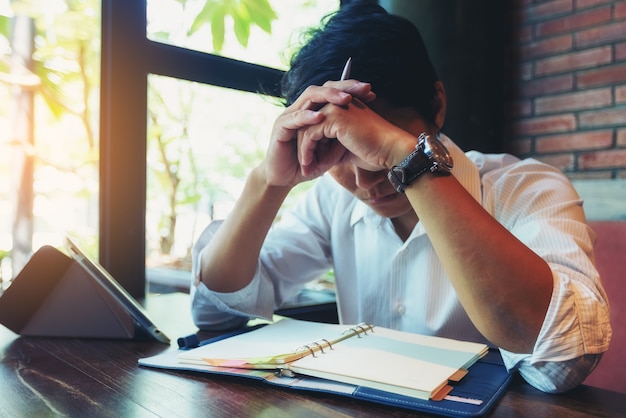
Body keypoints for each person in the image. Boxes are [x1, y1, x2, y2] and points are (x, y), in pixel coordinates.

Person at [189, 3, 611, 393]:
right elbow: (217, 311)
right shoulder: (332, 202)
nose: (366, 177)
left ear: (438, 106)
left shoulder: (530, 189)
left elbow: (564, 361)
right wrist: (269, 181)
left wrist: (408, 160)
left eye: (378, 141)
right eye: (340, 150)